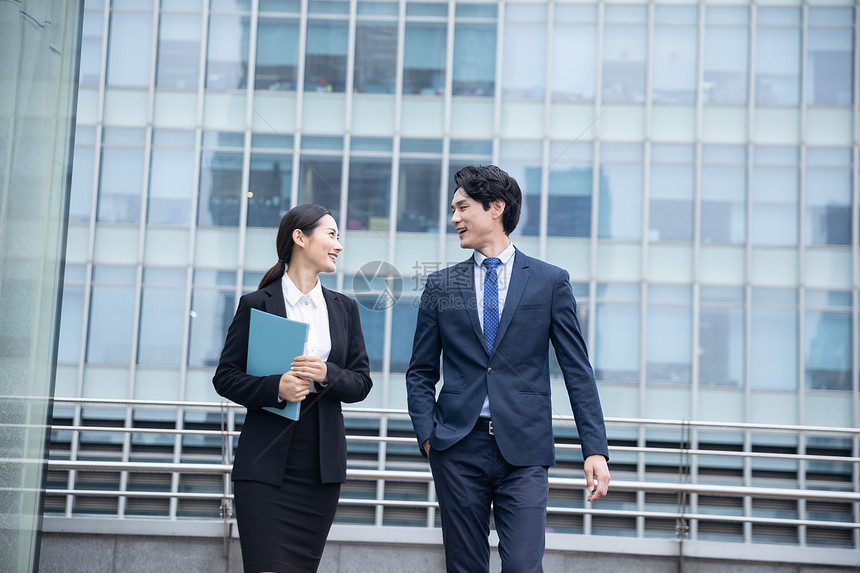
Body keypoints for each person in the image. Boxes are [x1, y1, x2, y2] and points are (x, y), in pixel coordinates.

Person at [406, 165, 610, 572]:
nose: (454, 219)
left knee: (522, 566)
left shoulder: (550, 282)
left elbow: (577, 370)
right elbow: (420, 372)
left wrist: (595, 449)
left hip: (526, 451)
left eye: (462, 207)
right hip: (458, 447)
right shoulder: (441, 286)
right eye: (453, 209)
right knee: (465, 567)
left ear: (495, 207)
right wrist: (428, 436)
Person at [213, 204, 372, 573]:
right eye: (331, 234)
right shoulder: (257, 304)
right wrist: (276, 387)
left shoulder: (344, 309)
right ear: (300, 238)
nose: (339, 245)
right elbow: (226, 377)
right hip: (264, 467)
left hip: (320, 467)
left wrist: (327, 373)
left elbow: (361, 382)